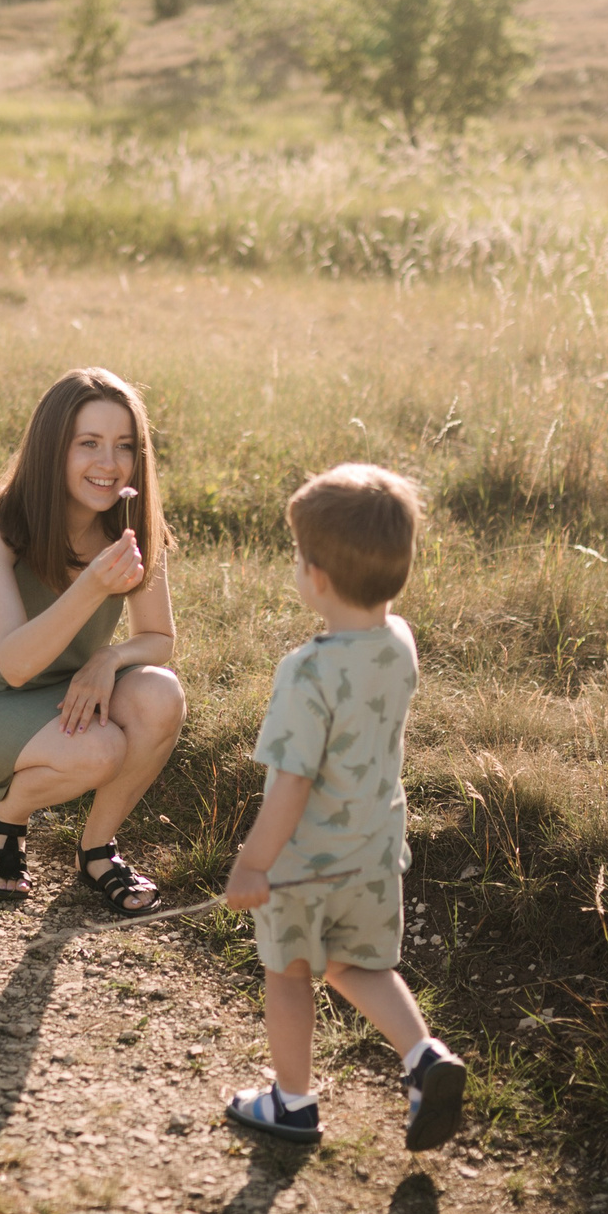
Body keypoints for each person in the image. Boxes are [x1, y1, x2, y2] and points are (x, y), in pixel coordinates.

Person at [221, 463, 465, 1150]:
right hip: (374, 850)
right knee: (359, 965)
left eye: (299, 557)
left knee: (291, 972)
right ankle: (424, 1057)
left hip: (302, 860)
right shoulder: (401, 644)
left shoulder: (306, 671)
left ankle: (292, 1104)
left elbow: (293, 783)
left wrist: (251, 864)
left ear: (316, 576)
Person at [0, 367, 184, 916]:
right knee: (99, 750)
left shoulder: (131, 529)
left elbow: (158, 639)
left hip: (62, 694)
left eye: (124, 447)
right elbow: (15, 665)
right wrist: (91, 587)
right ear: (52, 449)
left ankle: (96, 850)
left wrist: (108, 658)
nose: (108, 464)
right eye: (88, 443)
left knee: (161, 693)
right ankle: (7, 818)